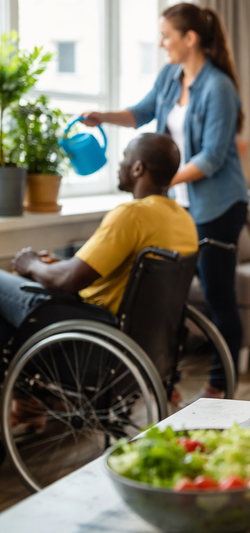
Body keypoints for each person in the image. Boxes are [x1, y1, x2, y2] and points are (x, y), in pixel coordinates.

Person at [80, 3, 249, 399]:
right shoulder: (171, 76)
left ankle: (220, 386)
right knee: (167, 295)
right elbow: (142, 113)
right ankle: (167, 383)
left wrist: (156, 178)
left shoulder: (219, 88)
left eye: (166, 36)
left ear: (189, 38)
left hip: (220, 207)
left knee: (217, 295)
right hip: (179, 206)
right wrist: (102, 117)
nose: (162, 43)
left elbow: (211, 157)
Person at [0, 133, 198, 432]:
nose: (119, 165)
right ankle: (29, 403)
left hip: (94, 332)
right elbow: (102, 269)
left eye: (124, 159)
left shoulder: (132, 214)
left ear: (137, 168)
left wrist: (31, 263)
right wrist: (52, 265)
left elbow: (68, 281)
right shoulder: (183, 219)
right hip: (145, 341)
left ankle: (28, 402)